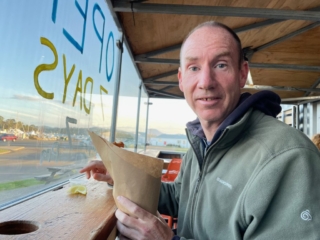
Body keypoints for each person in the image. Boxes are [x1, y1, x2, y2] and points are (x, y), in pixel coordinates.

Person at [80, 21, 320, 239]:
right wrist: (121, 177)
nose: (206, 81)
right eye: (194, 68)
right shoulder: (202, 141)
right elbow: (180, 197)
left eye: (221, 64)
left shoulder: (289, 158)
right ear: (181, 79)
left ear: (242, 74)